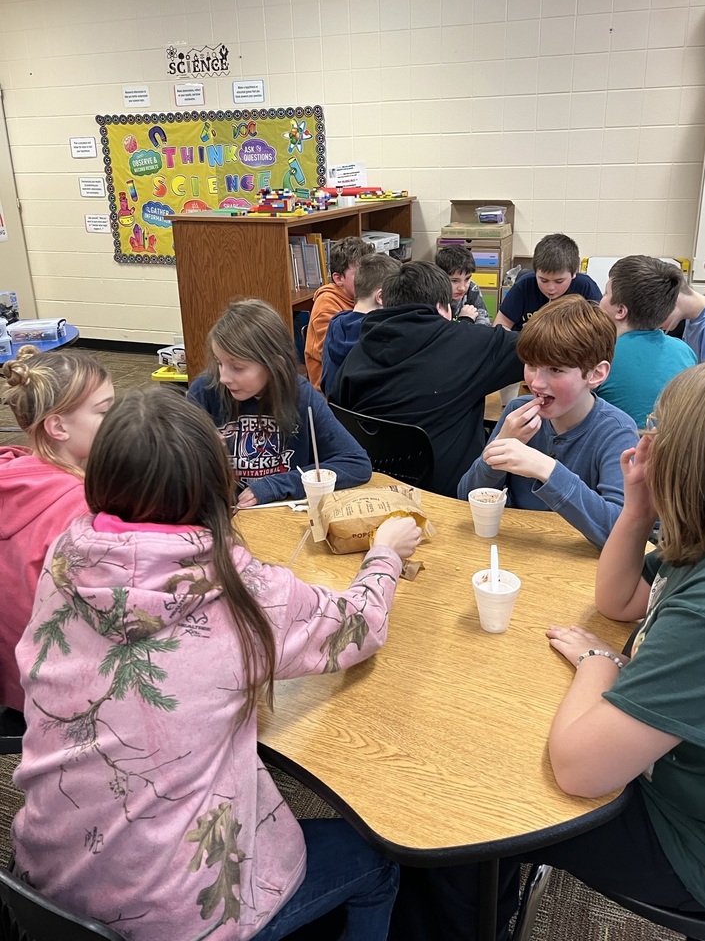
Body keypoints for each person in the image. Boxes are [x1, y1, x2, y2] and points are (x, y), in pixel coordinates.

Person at [12, 386, 421, 941]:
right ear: (214, 483)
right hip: (180, 919)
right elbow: (358, 627)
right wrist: (386, 552)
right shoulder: (240, 590)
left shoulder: (66, 558)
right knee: (376, 860)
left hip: (46, 880)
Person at [391, 355, 705, 941]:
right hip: (678, 782)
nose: (645, 442)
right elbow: (619, 599)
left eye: (658, 430)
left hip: (702, 846)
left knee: (461, 818)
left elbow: (580, 769)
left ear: (698, 458)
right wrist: (638, 507)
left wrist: (601, 663)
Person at [329, 263, 525, 498]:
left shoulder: (357, 353)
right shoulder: (473, 344)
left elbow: (337, 412)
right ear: (442, 308)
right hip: (452, 501)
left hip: (373, 492)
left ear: (387, 302)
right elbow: (544, 349)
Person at [458, 295, 637, 548]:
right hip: (514, 551)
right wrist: (497, 448)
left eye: (556, 370)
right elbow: (467, 497)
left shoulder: (616, 432)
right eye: (531, 365)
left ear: (596, 374)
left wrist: (545, 468)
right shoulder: (517, 411)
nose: (537, 383)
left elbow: (621, 533)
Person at [0, 346, 113, 713]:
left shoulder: (12, 471)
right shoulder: (80, 509)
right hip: (64, 693)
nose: (117, 421)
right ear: (58, 426)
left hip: (12, 680)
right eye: (104, 412)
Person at [188, 299, 371, 506]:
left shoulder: (302, 396)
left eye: (237, 367)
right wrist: (197, 453)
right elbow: (169, 470)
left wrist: (277, 485)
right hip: (220, 519)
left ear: (275, 364)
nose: (224, 377)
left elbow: (356, 463)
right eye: (219, 363)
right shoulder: (205, 391)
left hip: (281, 518)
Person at [596, 255, 697, 427]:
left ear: (620, 310)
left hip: (621, 450)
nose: (601, 300)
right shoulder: (685, 351)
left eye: (606, 293)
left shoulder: (600, 355)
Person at [320, 252, 400, 397]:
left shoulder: (336, 323)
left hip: (337, 412)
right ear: (381, 297)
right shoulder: (384, 332)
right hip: (373, 415)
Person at [304, 236, 375, 390]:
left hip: (358, 378)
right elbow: (339, 356)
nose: (367, 279)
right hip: (331, 392)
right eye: (359, 274)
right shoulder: (326, 304)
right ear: (338, 278)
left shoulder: (364, 297)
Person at [493, 233, 601, 332]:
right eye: (543, 280)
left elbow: (600, 330)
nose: (550, 288)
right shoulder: (524, 285)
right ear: (535, 272)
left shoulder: (585, 287)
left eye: (559, 281)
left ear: (574, 273)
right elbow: (500, 326)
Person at [434, 245, 491, 326]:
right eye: (454, 281)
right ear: (439, 277)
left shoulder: (472, 289)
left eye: (467, 279)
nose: (462, 288)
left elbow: (484, 324)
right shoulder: (432, 293)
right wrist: (465, 320)